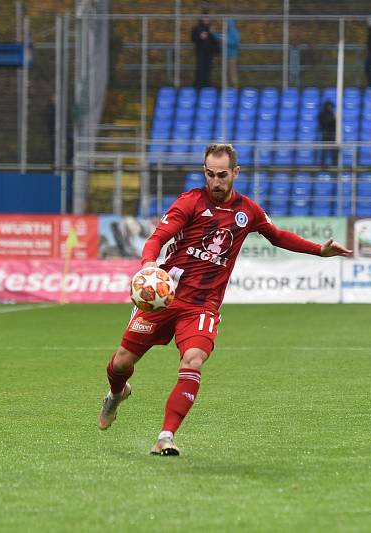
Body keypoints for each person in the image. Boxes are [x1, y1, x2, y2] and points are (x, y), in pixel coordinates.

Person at [97, 143, 352, 456]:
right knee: (122, 362)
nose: (215, 182)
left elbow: (278, 235)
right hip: (164, 297)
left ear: (235, 172)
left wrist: (318, 250)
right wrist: (150, 262)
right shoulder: (189, 201)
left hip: (202, 305)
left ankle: (166, 436)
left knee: (193, 361)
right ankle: (115, 393)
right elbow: (157, 238)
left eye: (221, 175)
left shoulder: (248, 211)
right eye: (209, 174)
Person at [191, 16, 218, 88]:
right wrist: (200, 37)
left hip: (209, 52)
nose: (206, 20)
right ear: (201, 19)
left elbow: (216, 41)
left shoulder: (211, 28)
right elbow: (193, 39)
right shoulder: (196, 28)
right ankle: (198, 86)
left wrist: (213, 33)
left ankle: (207, 85)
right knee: (200, 68)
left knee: (208, 69)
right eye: (204, 18)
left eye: (207, 18)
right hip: (200, 52)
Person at [318, 100, 337, 166]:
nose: (330, 108)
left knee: (334, 150)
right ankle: (322, 164)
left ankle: (335, 164)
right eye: (329, 106)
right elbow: (323, 124)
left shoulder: (333, 114)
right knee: (324, 150)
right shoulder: (322, 115)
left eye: (331, 106)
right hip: (325, 134)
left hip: (333, 134)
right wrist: (333, 118)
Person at [224, 18, 241, 89]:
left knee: (232, 73)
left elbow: (235, 43)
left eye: (227, 24)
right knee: (227, 73)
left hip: (232, 56)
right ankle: (228, 90)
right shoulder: (227, 32)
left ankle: (235, 89)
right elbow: (221, 38)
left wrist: (225, 41)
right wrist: (213, 34)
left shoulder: (234, 32)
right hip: (227, 55)